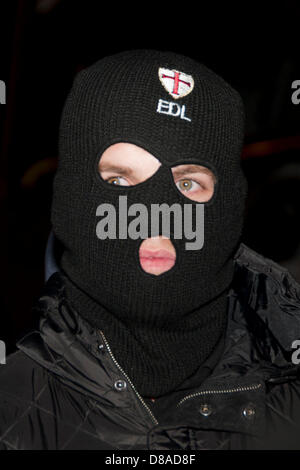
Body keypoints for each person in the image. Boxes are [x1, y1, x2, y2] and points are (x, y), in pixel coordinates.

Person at [1, 49, 300, 450]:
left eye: (188, 184)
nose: (157, 217)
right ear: (70, 200)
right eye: (121, 181)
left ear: (230, 208)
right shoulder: (11, 409)